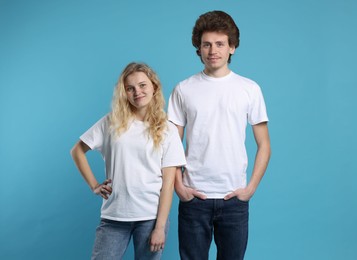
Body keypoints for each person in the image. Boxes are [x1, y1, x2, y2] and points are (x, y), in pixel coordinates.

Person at [167, 11, 271, 260]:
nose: (213, 50)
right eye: (207, 44)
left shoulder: (249, 89)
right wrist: (178, 186)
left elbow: (264, 144)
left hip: (234, 198)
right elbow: (170, 144)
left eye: (220, 44)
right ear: (199, 49)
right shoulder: (184, 89)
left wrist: (251, 188)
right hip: (194, 198)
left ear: (232, 47)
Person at [71, 62, 186, 260]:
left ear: (154, 87)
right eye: (130, 88)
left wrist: (160, 227)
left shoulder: (167, 130)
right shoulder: (111, 122)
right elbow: (77, 151)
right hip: (114, 216)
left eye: (143, 85)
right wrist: (94, 186)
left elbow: (167, 185)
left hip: (150, 217)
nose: (137, 92)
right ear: (124, 93)